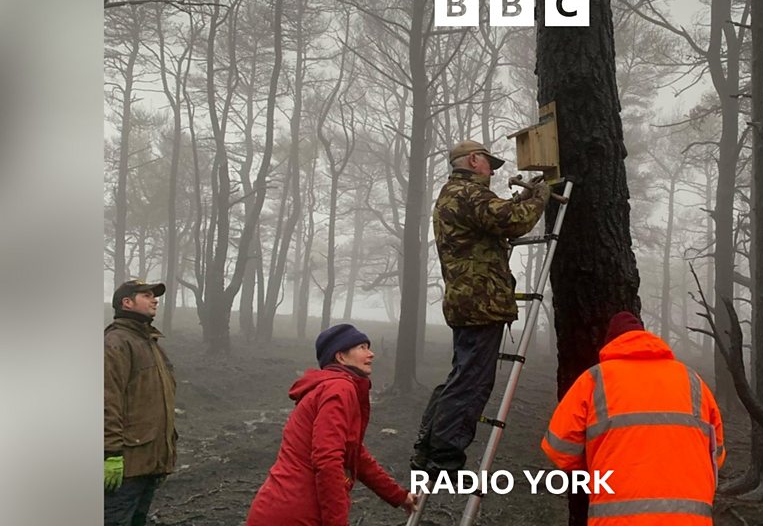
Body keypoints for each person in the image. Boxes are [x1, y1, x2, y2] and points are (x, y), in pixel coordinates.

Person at [411, 139, 551, 477]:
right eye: (489, 164)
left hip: (466, 301)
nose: (492, 172)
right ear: (474, 160)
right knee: (472, 381)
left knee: (461, 375)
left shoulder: (454, 194)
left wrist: (521, 198)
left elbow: (493, 217)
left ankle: (428, 447)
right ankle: (445, 456)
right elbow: (512, 221)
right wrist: (539, 198)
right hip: (481, 302)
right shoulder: (469, 194)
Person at [541, 311, 726, 525]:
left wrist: (597, 461)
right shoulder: (693, 381)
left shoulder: (595, 379)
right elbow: (717, 455)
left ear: (611, 344)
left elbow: (558, 448)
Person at [246, 324, 417, 525]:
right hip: (295, 514)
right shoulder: (339, 389)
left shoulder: (332, 387)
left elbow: (355, 455)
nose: (371, 354)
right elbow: (327, 459)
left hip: (281, 507)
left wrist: (399, 496)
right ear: (341, 357)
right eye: (362, 347)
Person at [104, 279, 177, 526]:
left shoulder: (149, 342)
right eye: (146, 295)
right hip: (125, 465)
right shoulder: (116, 343)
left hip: (148, 462)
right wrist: (111, 454)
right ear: (127, 302)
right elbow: (106, 400)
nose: (154, 300)